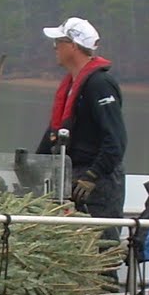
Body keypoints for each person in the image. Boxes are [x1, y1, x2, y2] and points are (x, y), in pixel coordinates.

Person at [36, 17, 127, 221]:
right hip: (71, 178)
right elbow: (55, 133)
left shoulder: (100, 84)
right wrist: (32, 166)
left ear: (73, 46)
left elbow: (116, 141)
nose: (55, 48)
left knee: (101, 245)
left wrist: (92, 176)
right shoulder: (71, 85)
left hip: (98, 182)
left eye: (58, 42)